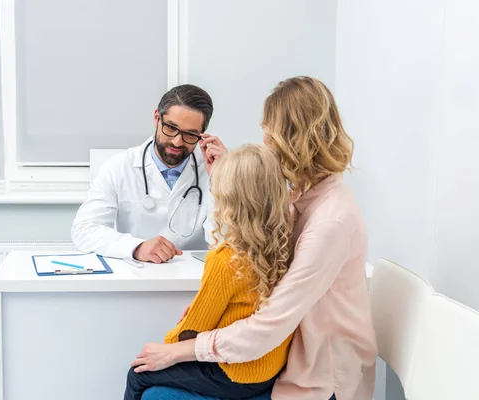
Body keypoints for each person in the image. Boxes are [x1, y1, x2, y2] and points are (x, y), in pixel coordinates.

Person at [131, 76, 378, 400]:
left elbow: (268, 327)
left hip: (316, 378)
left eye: (269, 132)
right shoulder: (299, 199)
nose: (264, 140)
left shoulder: (329, 223)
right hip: (277, 358)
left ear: (292, 140)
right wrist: (230, 174)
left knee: (151, 387)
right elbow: (255, 228)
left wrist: (179, 351)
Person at [124, 145, 295, 400]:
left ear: (228, 199)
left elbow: (192, 329)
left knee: (138, 374)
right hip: (269, 368)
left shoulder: (225, 259)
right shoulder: (285, 246)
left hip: (234, 373)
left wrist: (167, 344)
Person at [71, 85, 215, 262]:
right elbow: (84, 230)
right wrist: (136, 247)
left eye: (190, 135)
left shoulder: (215, 171)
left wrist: (224, 180)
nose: (177, 142)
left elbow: (231, 242)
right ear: (157, 118)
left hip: (197, 281)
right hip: (137, 280)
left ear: (202, 135)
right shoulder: (119, 167)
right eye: (170, 128)